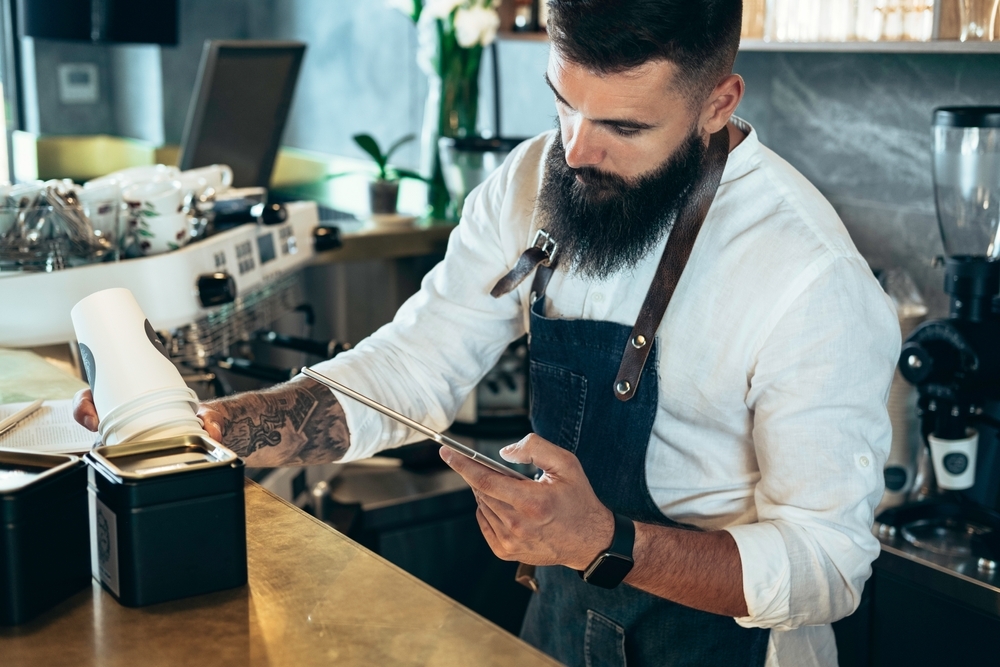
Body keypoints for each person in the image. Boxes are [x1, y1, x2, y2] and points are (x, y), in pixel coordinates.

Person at [75, 1, 900, 665]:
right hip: (557, 620)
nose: (575, 152)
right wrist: (218, 426)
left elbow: (828, 564)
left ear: (719, 103)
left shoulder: (807, 275)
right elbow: (413, 365)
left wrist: (605, 541)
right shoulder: (535, 180)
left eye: (624, 128)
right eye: (563, 103)